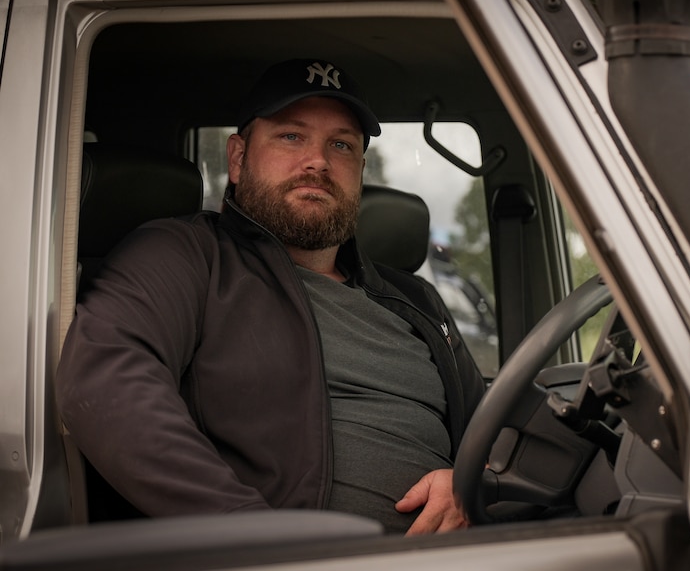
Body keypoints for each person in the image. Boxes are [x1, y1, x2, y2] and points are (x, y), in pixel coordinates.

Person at [56, 58, 486, 535]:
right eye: (291, 136)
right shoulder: (187, 256)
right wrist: (251, 536)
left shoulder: (417, 300)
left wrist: (472, 483)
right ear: (238, 158)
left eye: (341, 145)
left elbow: (494, 431)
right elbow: (107, 380)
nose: (318, 161)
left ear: (360, 172)